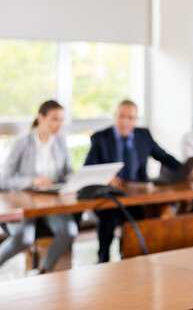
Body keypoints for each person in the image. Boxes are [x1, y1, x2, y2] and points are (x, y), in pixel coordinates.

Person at [84, 100, 182, 263]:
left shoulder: (144, 135)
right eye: (121, 116)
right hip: (110, 198)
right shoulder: (100, 139)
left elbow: (164, 157)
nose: (125, 122)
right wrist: (105, 177)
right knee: (108, 218)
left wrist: (188, 170)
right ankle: (103, 259)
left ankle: (135, 260)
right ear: (115, 116)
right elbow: (88, 169)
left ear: (136, 120)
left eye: (130, 118)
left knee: (148, 220)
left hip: (137, 197)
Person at [0, 100, 78, 274]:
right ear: (41, 118)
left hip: (51, 202)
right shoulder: (22, 143)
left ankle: (43, 271)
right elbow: (4, 179)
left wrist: (76, 179)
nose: (59, 125)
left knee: (69, 231)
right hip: (24, 202)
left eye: (61, 120)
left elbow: (67, 172)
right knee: (24, 238)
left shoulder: (60, 142)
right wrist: (31, 181)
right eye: (54, 119)